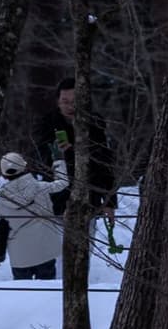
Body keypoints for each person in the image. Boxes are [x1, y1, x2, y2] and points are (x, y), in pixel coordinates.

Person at [35, 81, 119, 238]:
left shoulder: (94, 123)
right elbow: (40, 161)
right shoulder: (47, 123)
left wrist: (109, 202)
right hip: (56, 201)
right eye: (65, 102)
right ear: (58, 102)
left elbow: (105, 164)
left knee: (84, 252)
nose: (69, 107)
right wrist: (58, 153)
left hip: (89, 199)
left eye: (74, 102)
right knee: (57, 256)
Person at [0, 151, 61, 280]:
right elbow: (63, 183)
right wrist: (59, 161)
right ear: (24, 167)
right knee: (46, 290)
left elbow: (0, 229)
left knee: (23, 292)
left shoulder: (1, 201)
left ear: (4, 175)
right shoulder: (41, 187)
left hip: (20, 257)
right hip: (45, 250)